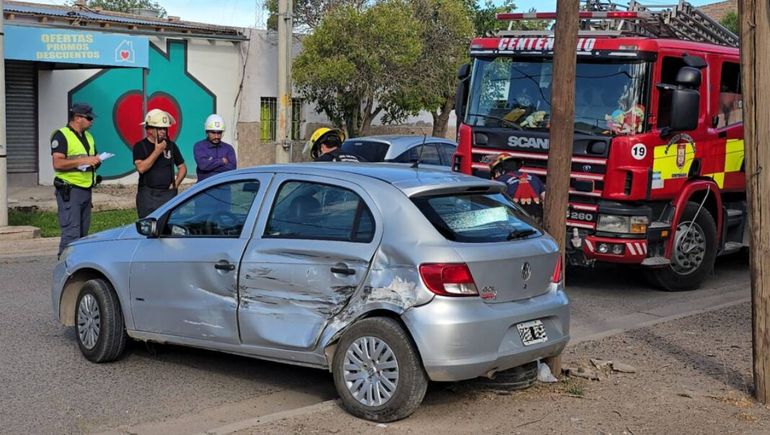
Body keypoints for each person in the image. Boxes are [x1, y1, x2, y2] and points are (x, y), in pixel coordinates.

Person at [51, 103, 102, 257]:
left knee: (82, 233)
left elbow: (91, 158)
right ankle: (65, 267)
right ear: (78, 118)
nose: (91, 121)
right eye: (89, 118)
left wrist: (96, 162)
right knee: (71, 233)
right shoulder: (61, 135)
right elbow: (57, 163)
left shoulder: (89, 136)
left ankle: (78, 267)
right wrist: (82, 161)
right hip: (70, 191)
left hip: (86, 190)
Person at [133, 108, 187, 218]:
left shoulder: (171, 145)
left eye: (165, 128)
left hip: (168, 195)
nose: (163, 131)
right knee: (149, 227)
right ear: (149, 130)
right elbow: (141, 168)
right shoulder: (140, 146)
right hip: (148, 196)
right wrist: (157, 151)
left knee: (169, 226)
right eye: (160, 128)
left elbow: (182, 167)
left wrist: (176, 184)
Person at [489, 153, 546, 223]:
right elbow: (545, 199)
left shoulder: (500, 182)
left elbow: (493, 205)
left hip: (513, 221)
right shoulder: (535, 178)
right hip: (535, 222)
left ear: (499, 169)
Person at [193, 114, 237, 182]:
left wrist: (210, 165)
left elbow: (232, 168)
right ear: (207, 132)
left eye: (219, 133)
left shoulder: (228, 148)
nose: (216, 136)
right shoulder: (199, 146)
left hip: (224, 188)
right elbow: (203, 165)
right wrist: (222, 161)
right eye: (213, 132)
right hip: (205, 188)